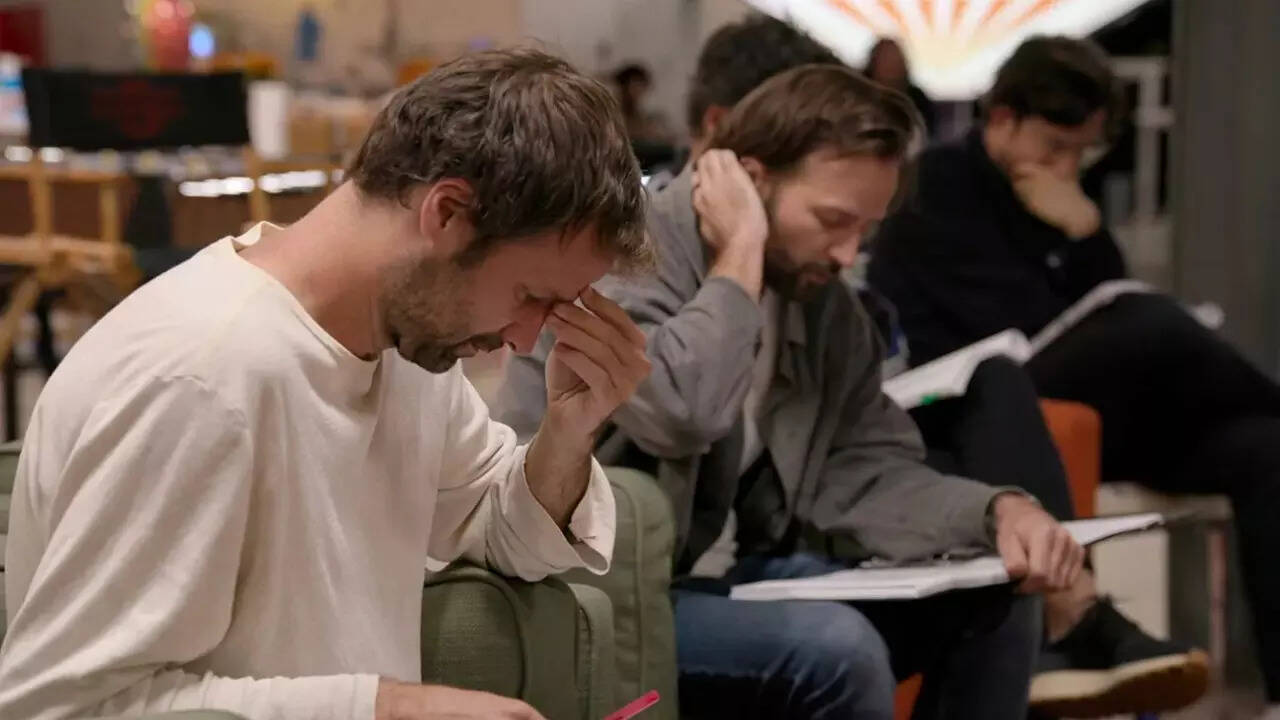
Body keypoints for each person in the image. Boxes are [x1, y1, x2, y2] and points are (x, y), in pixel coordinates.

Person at [0, 49, 654, 720]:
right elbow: (59, 708)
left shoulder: (407, 346)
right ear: (447, 213)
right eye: (530, 296)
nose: (523, 340)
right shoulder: (199, 378)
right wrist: (390, 708)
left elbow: (503, 529)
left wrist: (568, 431)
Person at [497, 59, 1086, 719]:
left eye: (865, 229)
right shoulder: (626, 253)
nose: (847, 255)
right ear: (751, 181)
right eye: (834, 220)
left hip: (737, 577)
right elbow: (684, 412)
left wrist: (996, 513)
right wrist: (742, 251)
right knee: (838, 647)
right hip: (607, 596)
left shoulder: (825, 307)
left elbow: (864, 468)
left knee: (1000, 594)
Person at [869, 34, 1280, 715]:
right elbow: (1015, 330)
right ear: (1003, 118)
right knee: (1148, 322)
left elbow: (1098, 306)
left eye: (1079, 153)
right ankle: (1080, 621)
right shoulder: (936, 188)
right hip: (982, 403)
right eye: (1054, 147)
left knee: (1264, 448)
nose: (1066, 167)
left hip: (1085, 407)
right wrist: (1079, 237)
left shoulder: (1059, 200)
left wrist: (1087, 235)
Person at [864, 37, 937, 138]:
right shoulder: (859, 96)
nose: (890, 65)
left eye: (894, 59)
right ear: (874, 62)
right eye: (886, 59)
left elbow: (928, 132)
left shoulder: (917, 98)